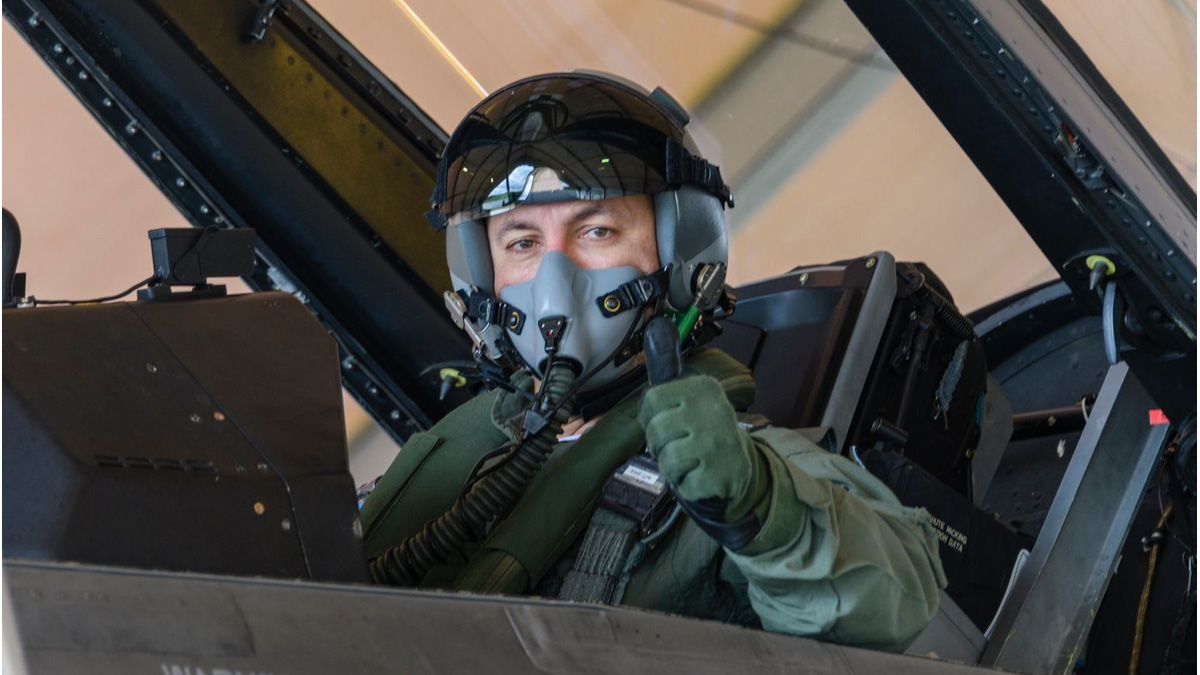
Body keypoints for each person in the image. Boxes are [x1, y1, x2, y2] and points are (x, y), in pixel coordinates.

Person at [360, 71, 946, 652]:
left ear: (679, 259)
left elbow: (894, 595)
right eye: (523, 243)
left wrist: (761, 506)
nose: (553, 281)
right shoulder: (463, 445)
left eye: (597, 231)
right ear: (482, 275)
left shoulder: (726, 464)